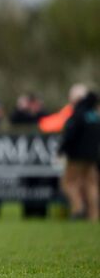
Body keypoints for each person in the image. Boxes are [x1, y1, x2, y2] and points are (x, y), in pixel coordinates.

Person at [58, 91, 100, 221]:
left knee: (68, 183)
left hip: (76, 157)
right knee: (91, 185)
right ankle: (94, 215)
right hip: (93, 156)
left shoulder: (78, 114)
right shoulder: (95, 116)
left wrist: (61, 149)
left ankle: (78, 209)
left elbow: (70, 135)